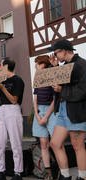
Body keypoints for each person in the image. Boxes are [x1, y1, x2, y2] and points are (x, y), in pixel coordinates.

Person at [48, 39, 86, 180]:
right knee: (55, 143)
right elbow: (61, 84)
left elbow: (83, 90)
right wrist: (55, 67)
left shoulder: (81, 64)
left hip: (77, 109)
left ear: (64, 50)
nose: (55, 55)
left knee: (77, 145)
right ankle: (65, 176)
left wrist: (62, 90)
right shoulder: (66, 66)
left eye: (56, 52)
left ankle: (82, 177)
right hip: (64, 109)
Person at [0, 59, 25, 180]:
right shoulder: (2, 81)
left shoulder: (18, 80)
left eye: (1, 66)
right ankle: (1, 171)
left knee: (15, 143)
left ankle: (18, 172)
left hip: (13, 110)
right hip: (1, 110)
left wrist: (2, 88)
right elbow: (1, 100)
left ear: (6, 66)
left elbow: (14, 100)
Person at [32, 55, 57, 179]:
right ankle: (48, 172)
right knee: (43, 143)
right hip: (39, 111)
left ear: (44, 64)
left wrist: (46, 117)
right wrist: (37, 115)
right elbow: (35, 98)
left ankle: (60, 169)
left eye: (38, 63)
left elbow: (54, 100)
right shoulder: (37, 78)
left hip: (51, 112)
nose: (36, 65)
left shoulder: (51, 77)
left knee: (56, 143)